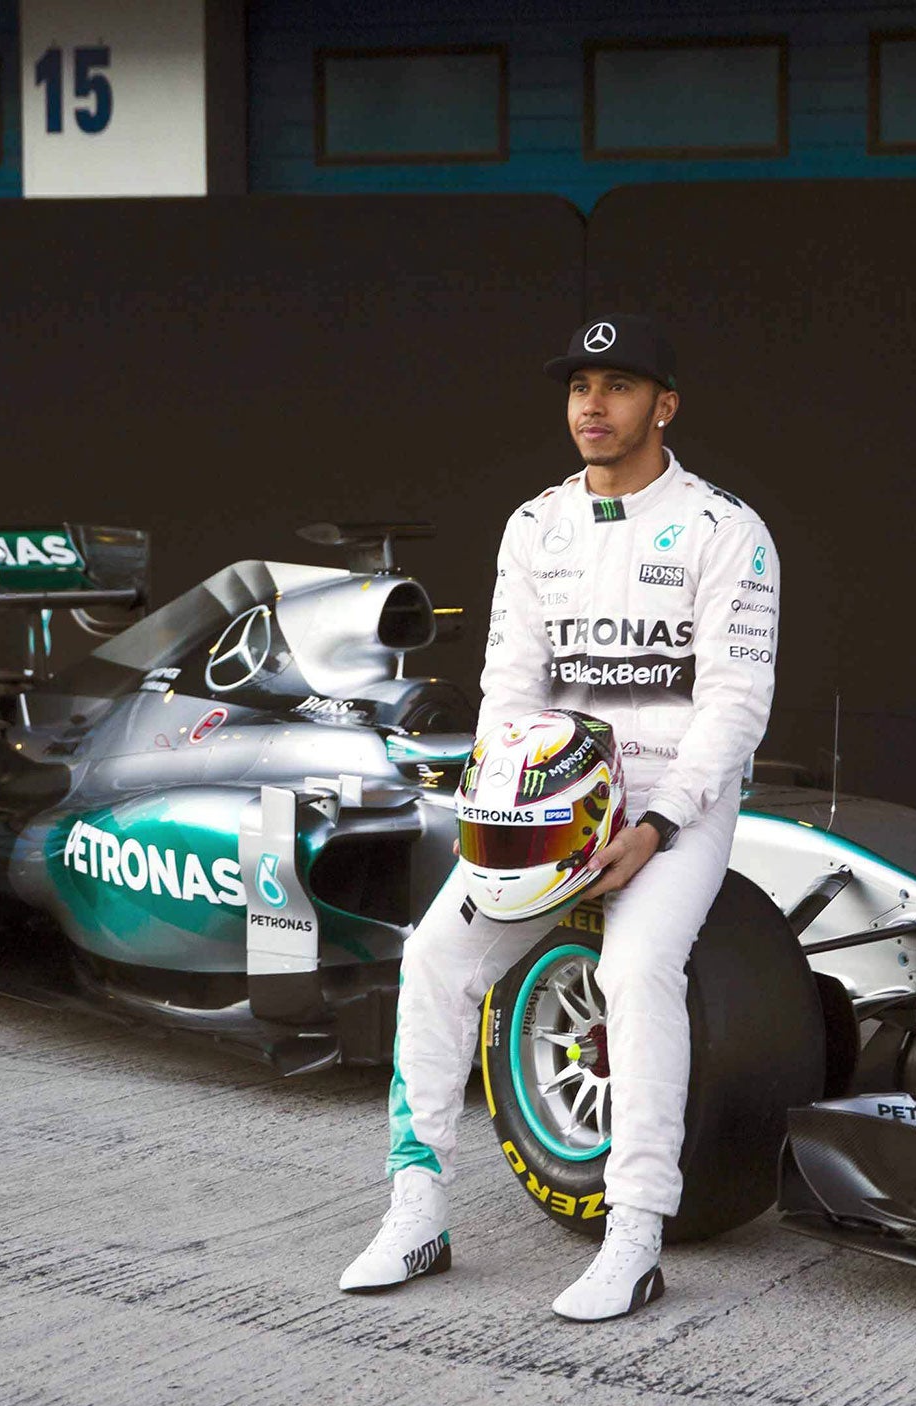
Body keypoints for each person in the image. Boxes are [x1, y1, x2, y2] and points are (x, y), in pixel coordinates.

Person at [341, 314, 780, 1320]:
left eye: (619, 385)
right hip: (552, 797)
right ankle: (416, 1210)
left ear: (662, 406)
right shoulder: (534, 524)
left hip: (674, 801)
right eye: (580, 385)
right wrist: (500, 794)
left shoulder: (725, 530)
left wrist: (659, 824)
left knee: (631, 970)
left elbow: (734, 704)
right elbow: (508, 687)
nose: (592, 403)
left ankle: (631, 1236)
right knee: (432, 960)